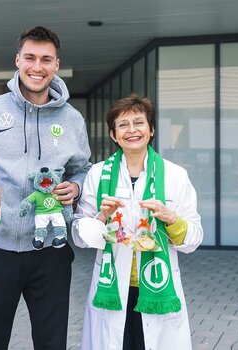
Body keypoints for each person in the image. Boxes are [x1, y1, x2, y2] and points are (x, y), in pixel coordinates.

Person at [0, 26, 91, 350]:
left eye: (45, 59)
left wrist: (76, 188)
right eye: (30, 58)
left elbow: (83, 169)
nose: (36, 67)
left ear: (56, 65)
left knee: (52, 342)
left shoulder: (72, 120)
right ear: (17, 60)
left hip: (51, 253)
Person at [72, 95, 203, 350]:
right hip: (112, 291)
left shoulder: (175, 175)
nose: (132, 130)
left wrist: (171, 219)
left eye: (138, 122)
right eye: (123, 125)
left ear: (151, 129)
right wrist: (101, 217)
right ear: (113, 135)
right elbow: (79, 235)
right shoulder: (98, 174)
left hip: (157, 289)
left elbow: (194, 238)